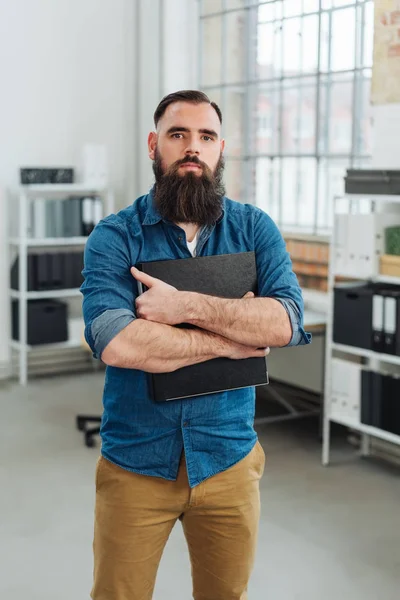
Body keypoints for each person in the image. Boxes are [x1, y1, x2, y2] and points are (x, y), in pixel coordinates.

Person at [81, 89, 311, 600]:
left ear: (220, 149)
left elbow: (286, 321)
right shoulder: (115, 237)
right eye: (178, 134)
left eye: (206, 137)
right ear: (153, 145)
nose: (193, 147)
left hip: (229, 460)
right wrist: (233, 339)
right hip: (137, 466)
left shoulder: (254, 229)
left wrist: (184, 308)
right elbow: (117, 342)